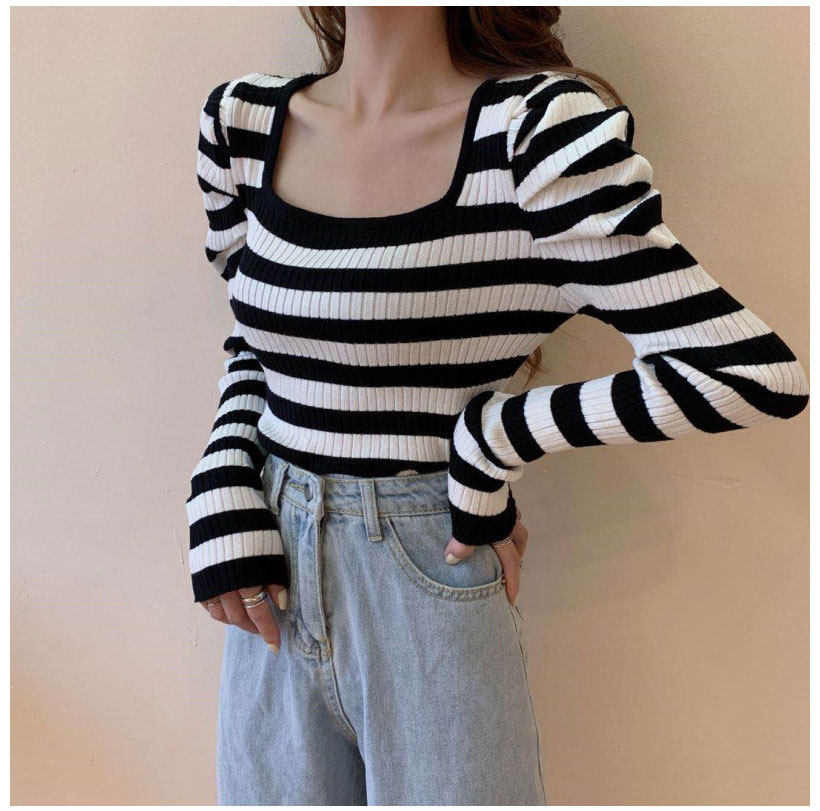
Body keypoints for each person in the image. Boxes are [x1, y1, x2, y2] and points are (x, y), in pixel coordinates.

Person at [185, 6, 809, 805]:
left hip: (428, 565)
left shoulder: (532, 135)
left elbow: (747, 371)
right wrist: (223, 482)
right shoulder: (241, 124)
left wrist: (494, 438)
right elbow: (258, 342)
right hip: (268, 566)